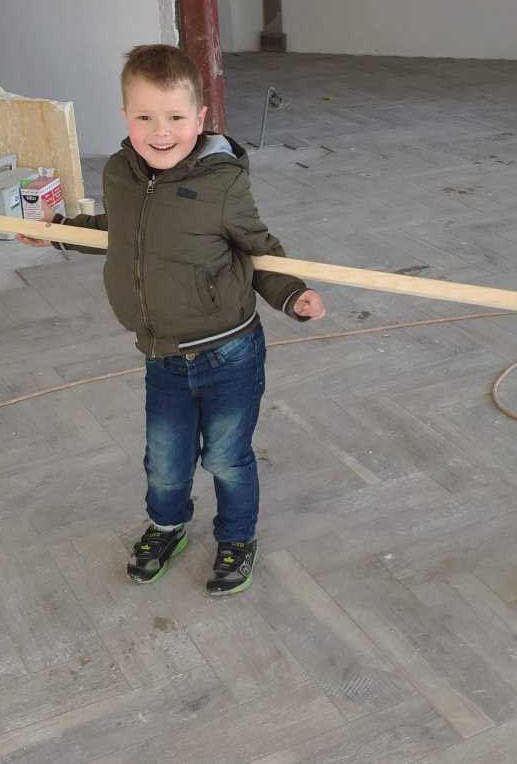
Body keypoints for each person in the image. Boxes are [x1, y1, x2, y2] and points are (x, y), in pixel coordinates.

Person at [19, 44, 325, 595]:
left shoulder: (221, 183)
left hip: (229, 351)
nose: (161, 132)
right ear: (125, 117)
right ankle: (166, 527)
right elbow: (118, 232)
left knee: (227, 458)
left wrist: (292, 294)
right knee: (164, 459)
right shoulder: (121, 173)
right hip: (161, 352)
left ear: (200, 118)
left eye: (176, 118)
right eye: (145, 117)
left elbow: (260, 249)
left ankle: (237, 538)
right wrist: (59, 230)